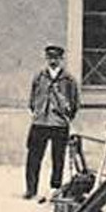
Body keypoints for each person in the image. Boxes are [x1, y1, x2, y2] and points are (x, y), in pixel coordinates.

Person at [23, 44, 80, 202]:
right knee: (34, 157)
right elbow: (32, 101)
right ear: (46, 58)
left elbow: (74, 103)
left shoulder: (69, 80)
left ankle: (55, 188)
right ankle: (30, 188)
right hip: (40, 123)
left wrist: (64, 117)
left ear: (61, 59)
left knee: (58, 158)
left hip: (59, 125)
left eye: (56, 58)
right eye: (50, 58)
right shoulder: (39, 77)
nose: (53, 61)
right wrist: (39, 112)